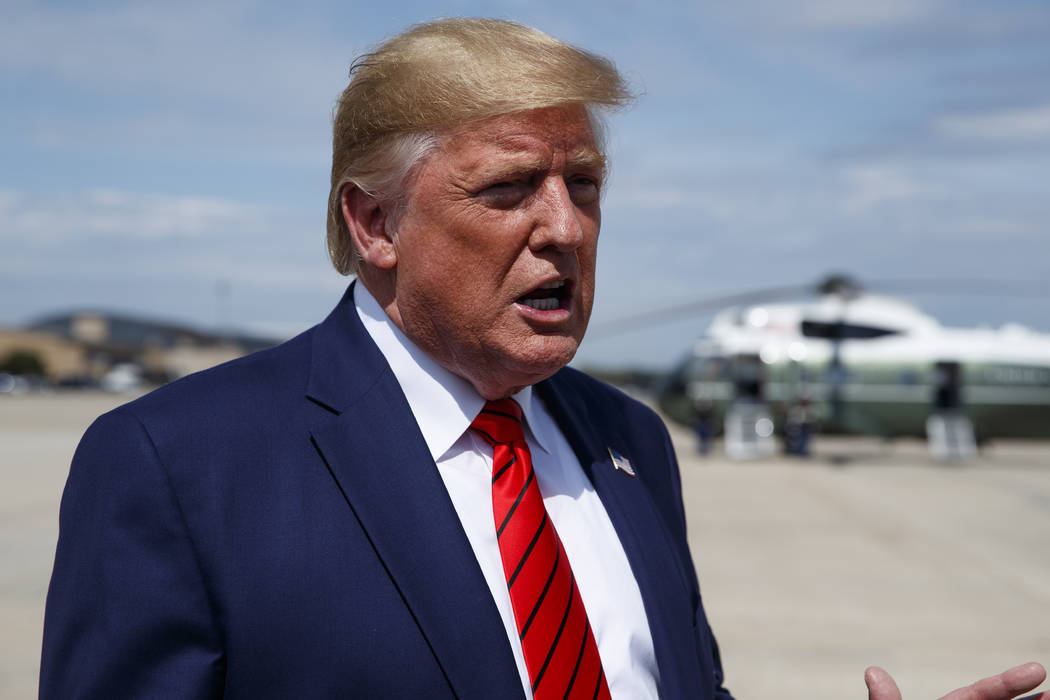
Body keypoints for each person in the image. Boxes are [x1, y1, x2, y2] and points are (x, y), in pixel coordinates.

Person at [40, 18, 1047, 700]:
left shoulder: (630, 441)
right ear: (374, 221)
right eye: (510, 188)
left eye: (585, 185)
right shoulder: (178, 463)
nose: (565, 227)